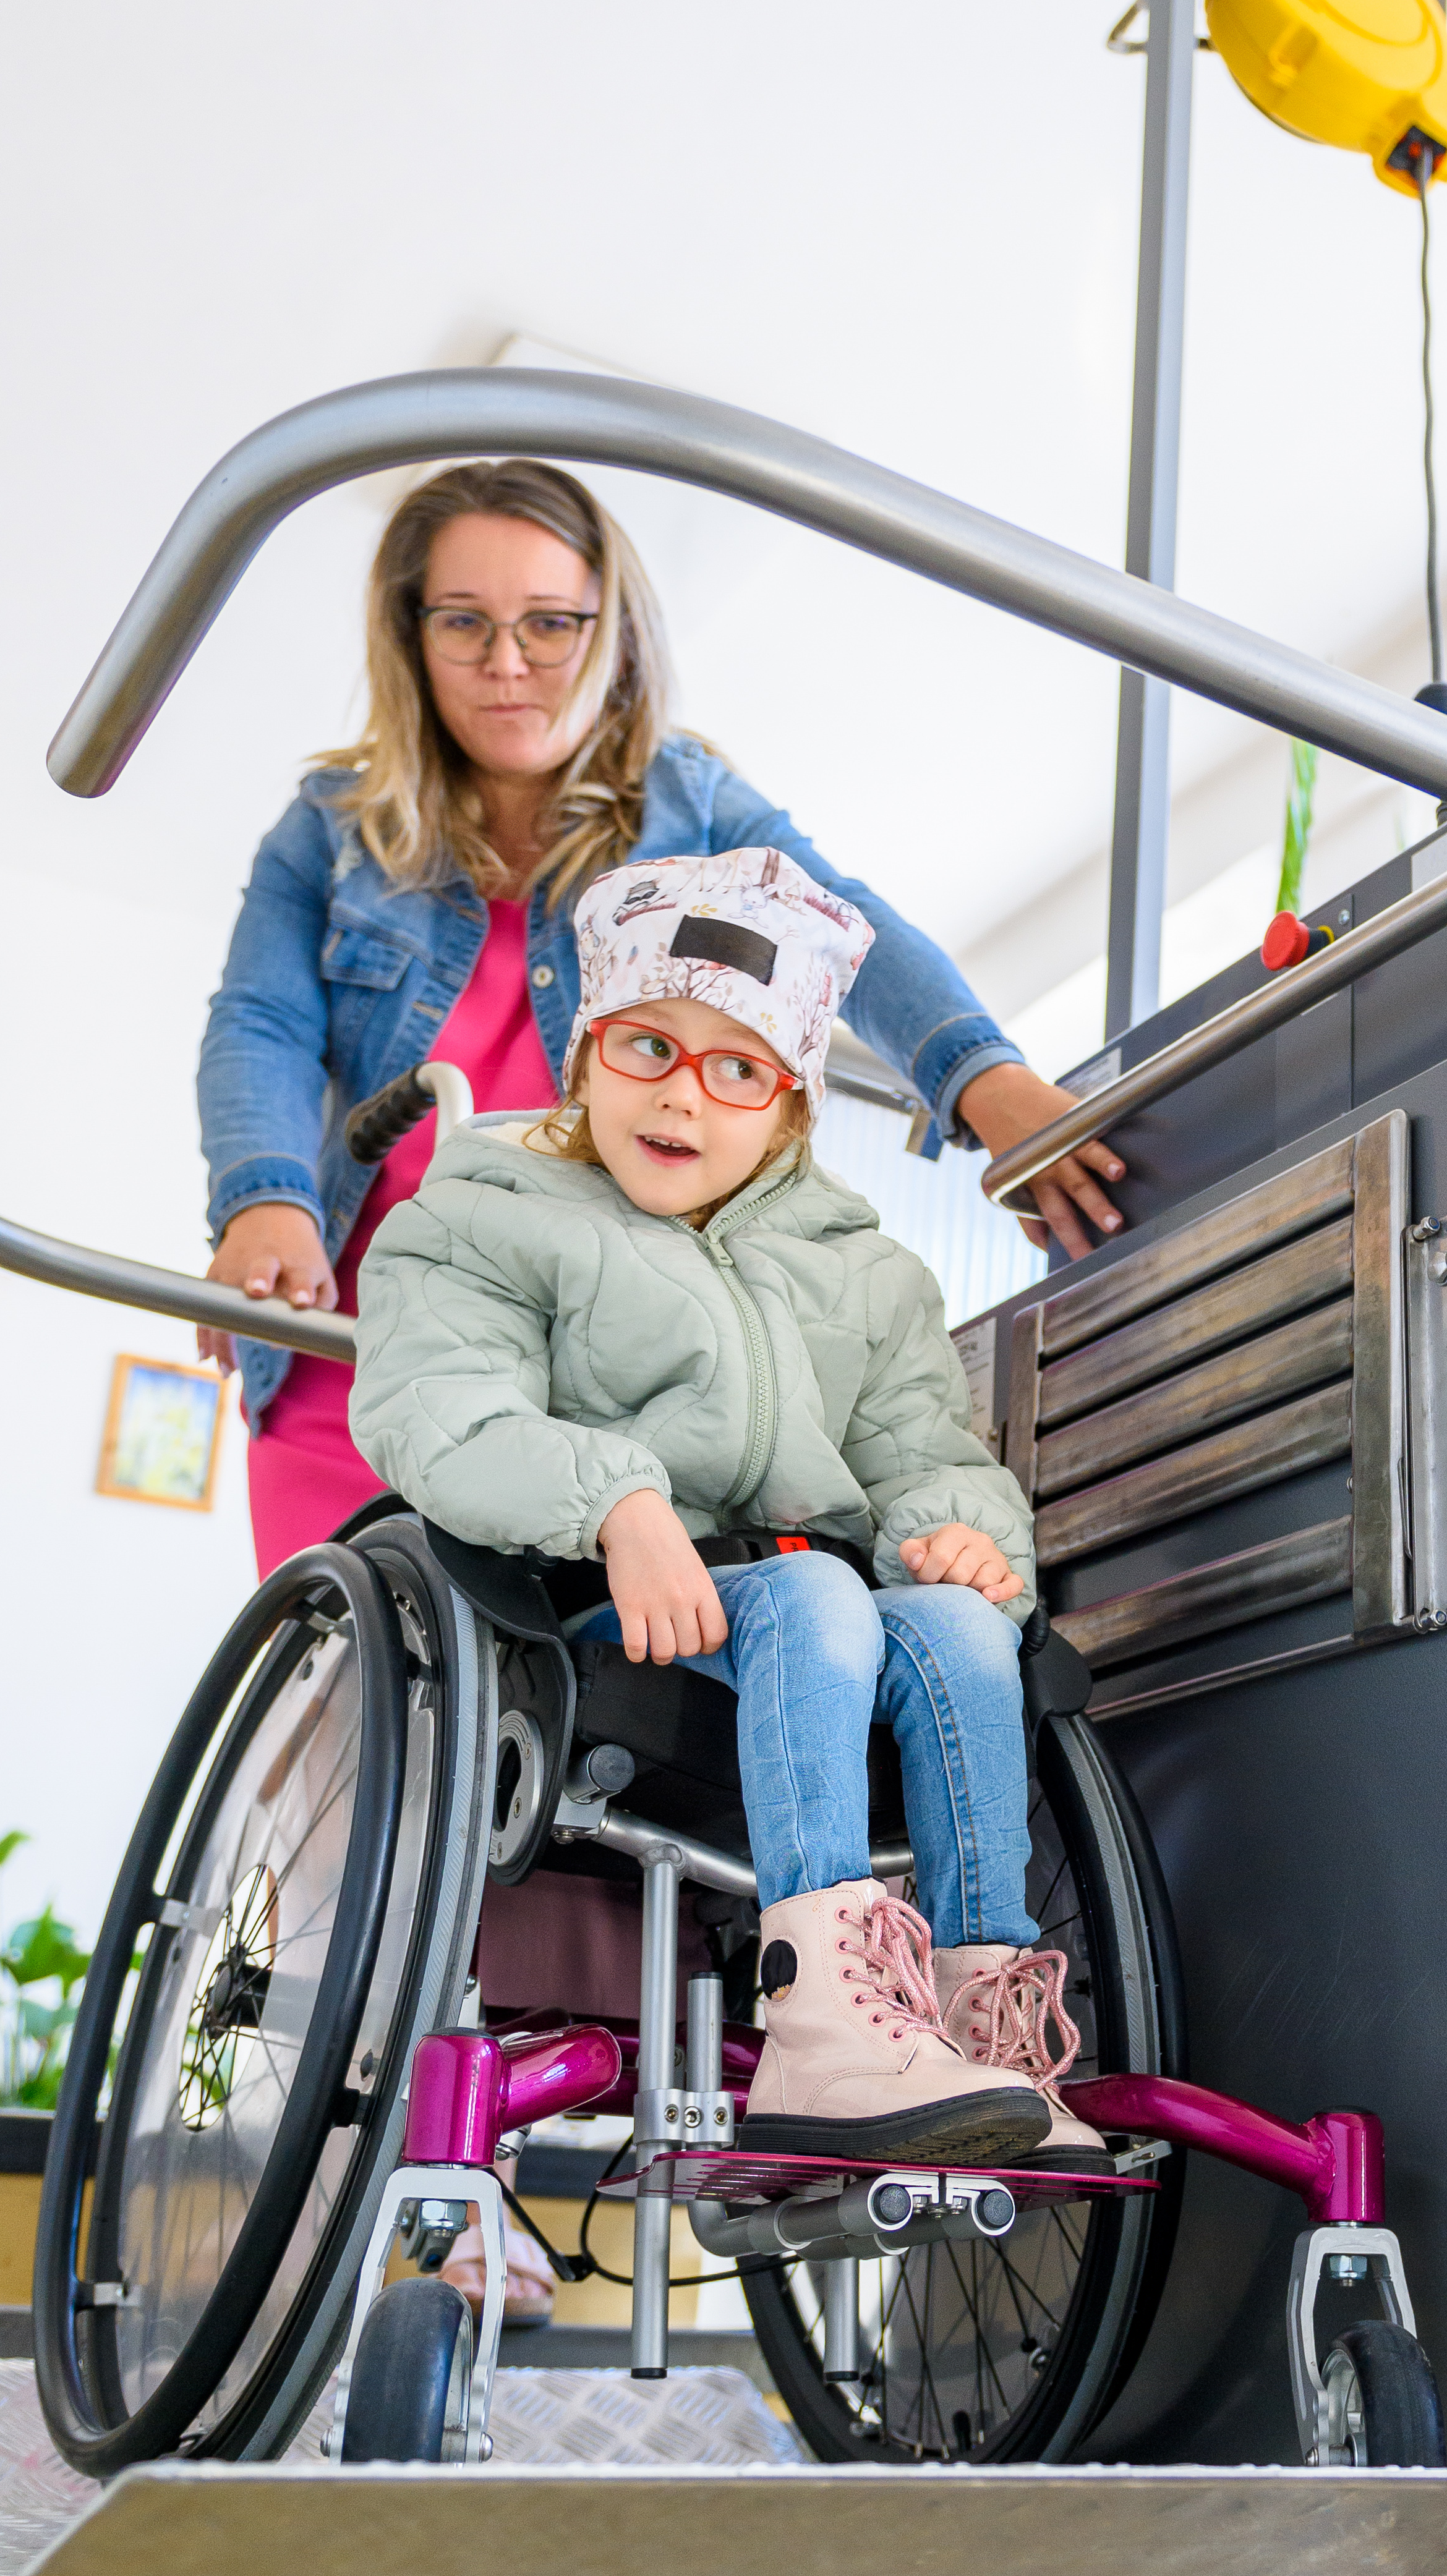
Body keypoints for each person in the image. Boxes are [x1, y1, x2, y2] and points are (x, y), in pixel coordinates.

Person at [198, 456, 1125, 1576]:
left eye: (550, 624)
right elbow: (261, 1026)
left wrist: (983, 1076)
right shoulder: (330, 829)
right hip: (365, 1339)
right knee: (349, 1708)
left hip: (588, 1356)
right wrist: (263, 1203)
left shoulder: (687, 801)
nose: (507, 665)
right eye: (464, 623)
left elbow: (848, 928)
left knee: (557, 1712)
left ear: (616, 633)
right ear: (412, 635)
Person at [347, 843, 1103, 2171]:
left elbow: (922, 1444)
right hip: (582, 1606)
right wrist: (615, 1501)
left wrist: (961, 1530)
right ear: (584, 1055)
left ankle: (983, 2025)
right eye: (647, 1046)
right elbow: (443, 1412)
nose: (683, 1097)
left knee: (967, 1630)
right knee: (821, 1591)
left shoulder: (864, 1276)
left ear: (791, 1109)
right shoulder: (484, 1210)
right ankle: (824, 2028)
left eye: (736, 1068)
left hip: (814, 1620)